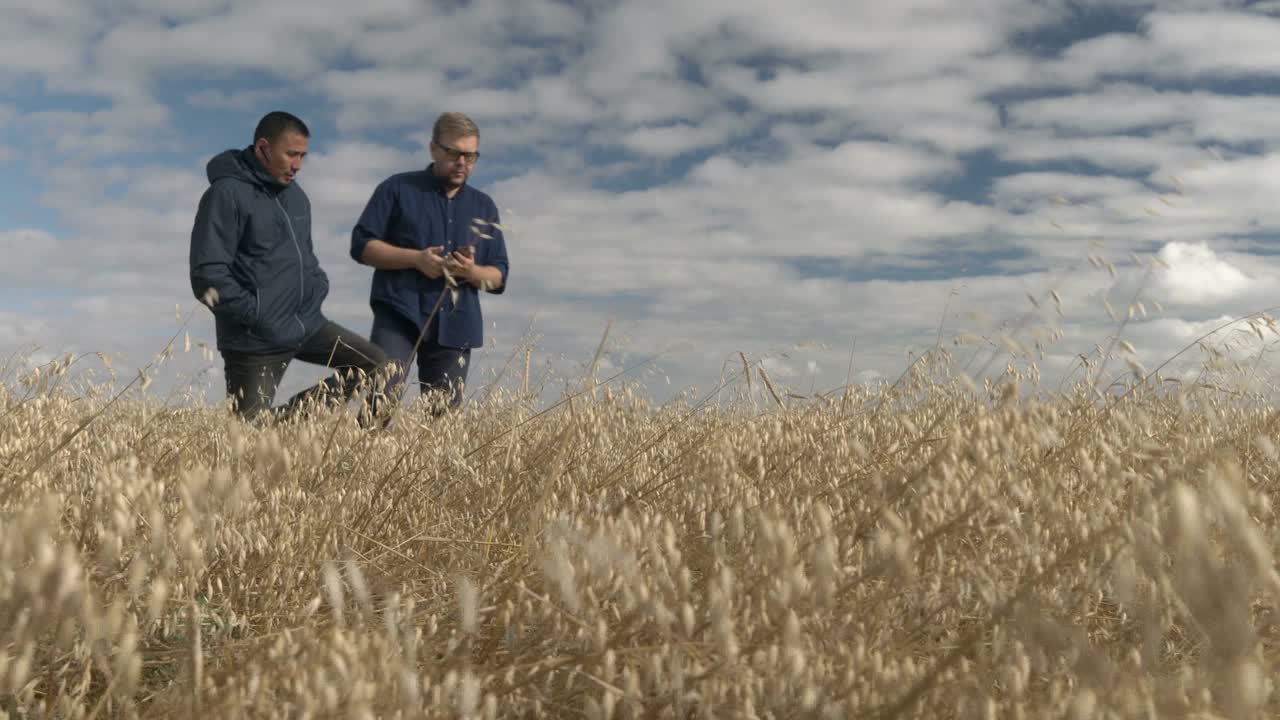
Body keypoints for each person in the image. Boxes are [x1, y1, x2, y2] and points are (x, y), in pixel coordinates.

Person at [190, 111, 390, 422]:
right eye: (291, 154)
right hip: (254, 340)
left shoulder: (297, 198)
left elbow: (305, 257)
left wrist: (316, 286)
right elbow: (208, 274)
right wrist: (256, 314)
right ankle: (267, 430)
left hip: (306, 324)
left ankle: (300, 429)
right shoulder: (225, 194)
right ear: (263, 147)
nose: (297, 165)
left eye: (302, 156)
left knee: (376, 364)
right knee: (247, 440)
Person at [350, 111, 509, 412]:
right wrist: (416, 260)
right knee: (378, 407)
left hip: (457, 323)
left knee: (441, 424)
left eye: (471, 156)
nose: (462, 162)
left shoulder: (485, 206)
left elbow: (499, 275)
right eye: (454, 153)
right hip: (399, 315)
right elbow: (362, 246)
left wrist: (470, 271)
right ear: (433, 148)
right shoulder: (396, 189)